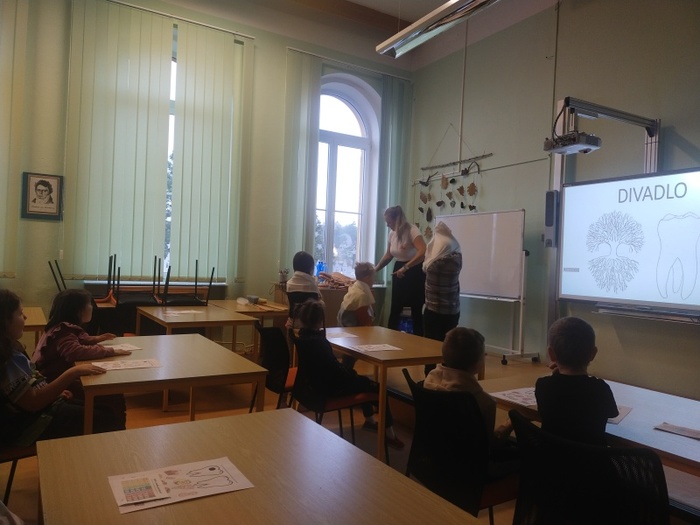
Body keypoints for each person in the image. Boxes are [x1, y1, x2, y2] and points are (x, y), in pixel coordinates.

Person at [0, 289, 121, 447]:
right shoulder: (7, 358)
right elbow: (33, 402)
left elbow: (31, 389)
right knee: (106, 418)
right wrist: (73, 372)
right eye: (20, 313)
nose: (25, 317)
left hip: (30, 415)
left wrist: (54, 393)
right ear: (4, 321)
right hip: (25, 427)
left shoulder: (10, 349)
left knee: (105, 409)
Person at [294, 299, 404, 449]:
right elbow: (335, 370)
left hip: (313, 387)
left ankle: (370, 421)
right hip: (330, 389)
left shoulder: (303, 338)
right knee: (378, 388)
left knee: (362, 380)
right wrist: (351, 375)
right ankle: (390, 434)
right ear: (320, 320)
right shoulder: (319, 343)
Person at [32, 289, 130, 427]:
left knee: (111, 394)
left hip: (55, 378)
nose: (92, 307)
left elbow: (79, 339)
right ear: (78, 311)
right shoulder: (63, 331)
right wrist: (109, 351)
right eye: (89, 304)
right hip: (56, 382)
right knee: (112, 395)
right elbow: (74, 351)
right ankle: (115, 431)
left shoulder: (60, 326)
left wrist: (96, 339)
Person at [535, 316, 618, 446]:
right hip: (591, 459)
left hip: (551, 457)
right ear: (593, 353)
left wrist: (556, 374)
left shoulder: (543, 386)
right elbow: (612, 414)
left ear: (551, 354)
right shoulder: (600, 389)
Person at [424, 327, 513, 443]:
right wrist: (510, 424)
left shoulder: (429, 382)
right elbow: (488, 443)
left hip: (434, 447)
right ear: (478, 364)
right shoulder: (484, 402)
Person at [374, 205, 426, 336]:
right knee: (396, 306)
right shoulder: (392, 234)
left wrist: (406, 267)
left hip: (414, 270)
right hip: (398, 269)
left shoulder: (412, 230)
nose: (387, 225)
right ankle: (391, 337)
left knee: (415, 308)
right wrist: (375, 269)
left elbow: (422, 251)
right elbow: (388, 255)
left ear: (397, 220)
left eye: (389, 222)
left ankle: (419, 338)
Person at [422, 221, 462, 374]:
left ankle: (429, 377)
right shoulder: (458, 261)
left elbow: (425, 266)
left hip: (434, 312)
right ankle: (448, 375)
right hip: (453, 311)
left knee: (430, 348)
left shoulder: (433, 266)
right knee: (449, 348)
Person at [337, 262, 375, 369]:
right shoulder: (361, 295)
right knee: (350, 359)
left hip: (345, 328)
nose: (374, 280)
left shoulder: (354, 288)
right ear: (367, 278)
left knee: (348, 360)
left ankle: (346, 370)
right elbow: (365, 322)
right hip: (353, 332)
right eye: (373, 277)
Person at [285, 250, 322, 328]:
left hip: (293, 323)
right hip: (310, 325)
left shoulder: (289, 284)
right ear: (310, 268)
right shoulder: (312, 285)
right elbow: (319, 302)